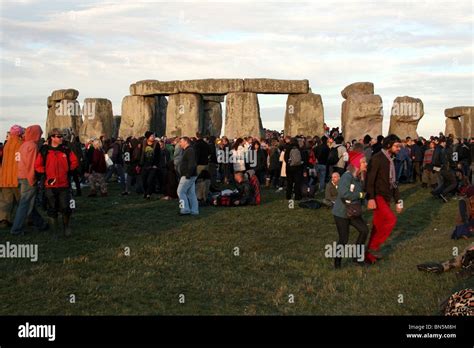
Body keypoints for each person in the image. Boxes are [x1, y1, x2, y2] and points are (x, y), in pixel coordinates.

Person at [366, 134, 403, 263]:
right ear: (388, 145)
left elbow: (393, 183)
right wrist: (370, 198)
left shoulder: (391, 160)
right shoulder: (377, 158)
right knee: (391, 220)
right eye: (397, 146)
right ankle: (374, 247)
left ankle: (368, 257)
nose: (399, 148)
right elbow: (370, 179)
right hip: (377, 196)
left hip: (386, 197)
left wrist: (398, 200)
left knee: (377, 226)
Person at [35, 128, 78, 237]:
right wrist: (45, 172)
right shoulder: (44, 150)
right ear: (52, 137)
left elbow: (74, 161)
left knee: (65, 207)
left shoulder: (66, 149)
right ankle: (54, 231)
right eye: (58, 136)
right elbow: (38, 165)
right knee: (52, 208)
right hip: (50, 185)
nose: (61, 138)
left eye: (61, 136)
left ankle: (66, 227)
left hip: (64, 184)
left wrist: (68, 170)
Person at [332, 152, 369, 269]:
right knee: (344, 239)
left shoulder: (358, 177)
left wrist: (366, 202)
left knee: (364, 230)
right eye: (363, 162)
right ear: (357, 163)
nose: (365, 164)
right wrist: (361, 195)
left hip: (353, 212)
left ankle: (357, 257)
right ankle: (337, 263)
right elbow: (344, 194)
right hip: (342, 213)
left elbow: (360, 195)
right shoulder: (347, 177)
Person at [10, 125, 48, 235]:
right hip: (28, 177)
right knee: (25, 204)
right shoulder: (32, 146)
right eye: (39, 134)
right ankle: (16, 229)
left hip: (21, 176)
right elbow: (31, 165)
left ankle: (41, 224)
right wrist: (32, 179)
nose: (40, 136)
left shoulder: (23, 145)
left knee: (29, 203)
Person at [0, 125, 24, 228]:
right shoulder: (21, 144)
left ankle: (4, 219)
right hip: (16, 177)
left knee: (6, 200)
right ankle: (27, 219)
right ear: (19, 134)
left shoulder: (6, 145)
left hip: (5, 177)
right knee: (22, 200)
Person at [177, 137, 198, 216]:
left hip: (187, 175)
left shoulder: (189, 151)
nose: (180, 144)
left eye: (181, 142)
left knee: (180, 192)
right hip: (190, 174)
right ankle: (194, 210)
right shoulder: (188, 150)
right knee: (191, 193)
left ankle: (184, 209)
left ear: (186, 142)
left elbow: (192, 163)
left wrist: (188, 173)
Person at [140, 131, 161, 200]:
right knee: (144, 180)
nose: (153, 137)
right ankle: (146, 192)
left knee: (150, 180)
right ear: (147, 137)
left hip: (153, 165)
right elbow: (140, 154)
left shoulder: (156, 144)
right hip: (144, 165)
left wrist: (156, 165)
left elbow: (158, 156)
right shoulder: (143, 144)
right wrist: (140, 164)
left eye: (154, 136)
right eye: (152, 136)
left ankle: (149, 194)